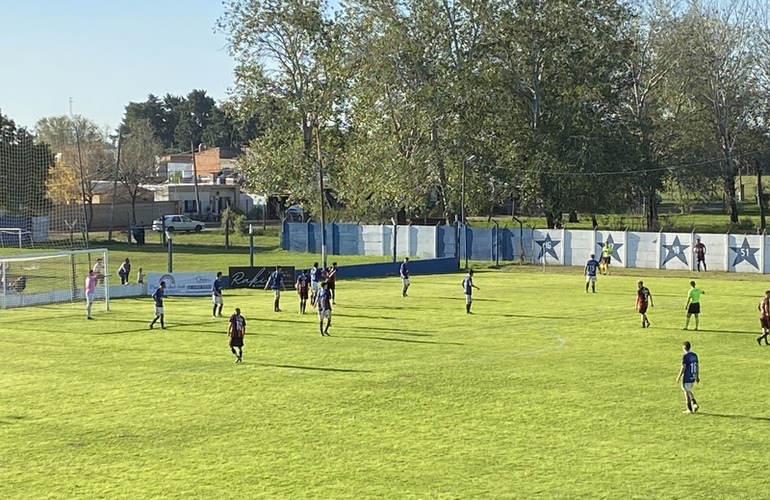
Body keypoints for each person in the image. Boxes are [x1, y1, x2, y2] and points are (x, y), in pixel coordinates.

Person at [675, 341, 700, 413]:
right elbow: (697, 366)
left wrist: (679, 376)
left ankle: (693, 404)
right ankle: (690, 409)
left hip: (687, 376)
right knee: (686, 391)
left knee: (687, 390)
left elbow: (683, 367)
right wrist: (697, 376)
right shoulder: (694, 355)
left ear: (684, 348)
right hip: (693, 375)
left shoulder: (685, 357)